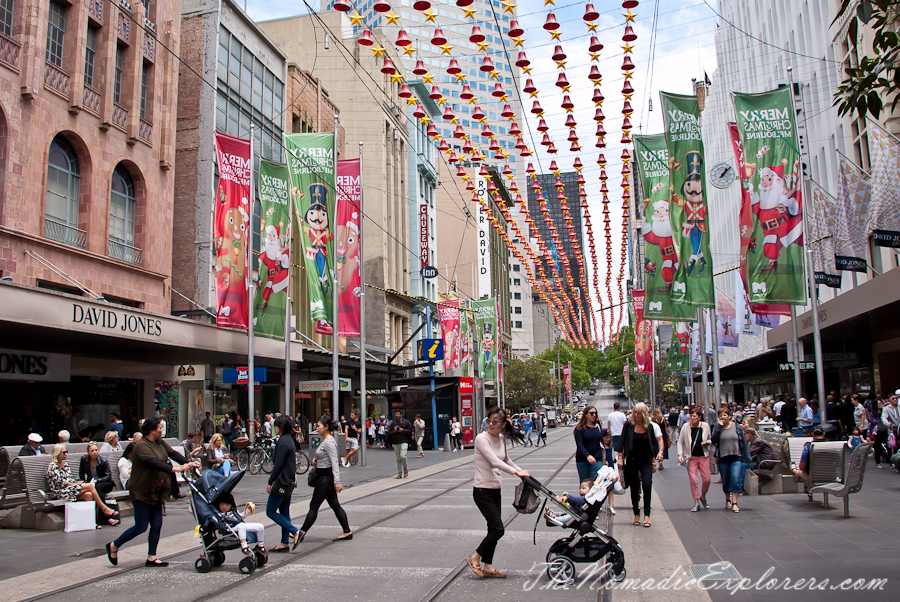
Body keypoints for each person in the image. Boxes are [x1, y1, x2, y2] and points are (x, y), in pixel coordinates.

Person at [106, 417, 199, 566]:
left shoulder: (160, 442)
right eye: (159, 428)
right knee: (141, 526)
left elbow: (173, 454)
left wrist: (188, 462)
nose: (161, 430)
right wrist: (176, 469)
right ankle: (114, 546)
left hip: (156, 488)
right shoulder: (141, 446)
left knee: (157, 524)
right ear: (151, 431)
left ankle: (151, 557)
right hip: (141, 490)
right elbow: (153, 463)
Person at [465, 406, 528, 579]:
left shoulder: (501, 439)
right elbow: (494, 461)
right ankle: (475, 558)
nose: (490, 424)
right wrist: (516, 473)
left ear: (502, 424)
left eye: (495, 422)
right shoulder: (481, 439)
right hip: (482, 490)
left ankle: (488, 566)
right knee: (498, 529)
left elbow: (506, 459)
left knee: (492, 528)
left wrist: (522, 472)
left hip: (495, 490)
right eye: (489, 420)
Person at [297, 415, 352, 543]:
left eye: (319, 426)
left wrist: (337, 482)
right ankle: (347, 531)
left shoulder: (329, 442)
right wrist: (318, 461)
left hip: (325, 479)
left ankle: (301, 532)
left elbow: (334, 462)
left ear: (326, 427)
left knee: (314, 506)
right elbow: (326, 459)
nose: (317, 429)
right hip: (325, 477)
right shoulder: (326, 441)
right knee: (335, 505)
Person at [47, 444, 120, 526]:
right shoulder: (53, 466)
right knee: (90, 486)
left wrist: (77, 483)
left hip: (70, 489)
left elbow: (70, 478)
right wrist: (75, 484)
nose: (66, 454)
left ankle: (91, 522)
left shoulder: (65, 465)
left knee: (88, 494)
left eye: (66, 452)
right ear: (57, 453)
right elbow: (61, 483)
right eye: (64, 452)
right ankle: (105, 509)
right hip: (61, 491)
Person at [616, 403, 663, 527]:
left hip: (646, 460)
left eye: (638, 413)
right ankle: (636, 514)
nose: (636, 415)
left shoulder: (649, 427)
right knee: (634, 487)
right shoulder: (628, 425)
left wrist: (654, 461)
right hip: (632, 460)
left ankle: (647, 515)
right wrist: (620, 457)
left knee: (647, 485)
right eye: (634, 412)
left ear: (643, 414)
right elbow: (622, 441)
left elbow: (653, 445)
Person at [266, 415, 301, 552]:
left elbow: (278, 464)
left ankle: (295, 531)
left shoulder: (284, 441)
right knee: (284, 511)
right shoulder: (288, 440)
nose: (274, 428)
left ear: (280, 427)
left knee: (270, 511)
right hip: (288, 480)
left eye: (275, 426)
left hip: (282, 481)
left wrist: (270, 481)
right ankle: (284, 542)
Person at [711, 407, 752, 513]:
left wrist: (747, 457)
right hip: (723, 458)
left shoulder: (736, 427)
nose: (723, 417)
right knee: (726, 480)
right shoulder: (717, 428)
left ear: (729, 416)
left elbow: (742, 442)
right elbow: (713, 440)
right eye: (721, 415)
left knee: (735, 478)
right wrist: (719, 427)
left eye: (725, 415)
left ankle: (735, 502)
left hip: (736, 457)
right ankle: (727, 499)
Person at [677, 407, 711, 512]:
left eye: (694, 416)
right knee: (694, 480)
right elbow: (680, 441)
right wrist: (680, 454)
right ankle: (696, 502)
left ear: (699, 417)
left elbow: (710, 438)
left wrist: (707, 442)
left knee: (707, 479)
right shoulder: (686, 427)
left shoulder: (705, 426)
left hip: (703, 456)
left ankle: (703, 496)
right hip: (691, 457)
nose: (692, 418)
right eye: (691, 416)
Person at [217, 493, 267, 558]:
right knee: (241, 526)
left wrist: (247, 511)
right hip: (229, 529)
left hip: (238, 526)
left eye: (227, 505)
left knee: (260, 526)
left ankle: (260, 545)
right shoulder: (220, 515)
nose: (224, 507)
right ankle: (244, 547)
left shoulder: (233, 511)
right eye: (222, 504)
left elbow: (240, 517)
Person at [791, 426, 827, 500]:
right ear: (824, 434)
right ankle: (807, 487)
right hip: (830, 475)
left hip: (812, 476)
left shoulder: (808, 447)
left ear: (812, 434)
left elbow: (802, 467)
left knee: (799, 471)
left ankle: (794, 470)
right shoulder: (834, 446)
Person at [574, 405, 603, 482]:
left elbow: (602, 442)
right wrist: (588, 456)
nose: (594, 415)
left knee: (595, 482)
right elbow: (579, 444)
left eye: (595, 413)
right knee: (585, 483)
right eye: (591, 413)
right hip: (583, 459)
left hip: (597, 458)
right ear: (586, 415)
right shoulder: (579, 429)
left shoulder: (598, 426)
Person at [391, 410, 413, 478]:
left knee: (402, 456)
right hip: (396, 442)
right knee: (398, 458)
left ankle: (405, 469)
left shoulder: (406, 422)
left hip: (404, 441)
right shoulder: (393, 423)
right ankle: (399, 473)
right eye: (396, 414)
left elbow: (410, 430)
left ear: (401, 415)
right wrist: (394, 431)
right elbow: (389, 433)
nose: (396, 415)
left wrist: (403, 430)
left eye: (398, 414)